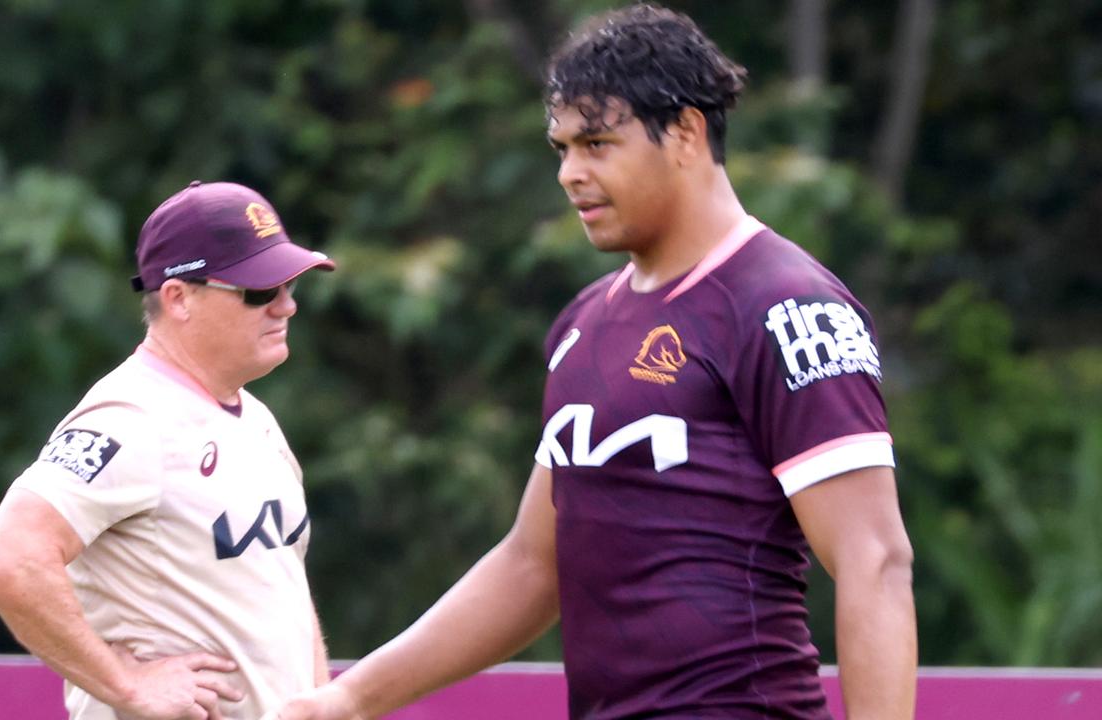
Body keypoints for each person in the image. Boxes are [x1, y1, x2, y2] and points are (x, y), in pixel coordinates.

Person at [268, 5, 916, 720]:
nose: (571, 174)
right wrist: (348, 700)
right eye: (563, 148)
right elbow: (532, 565)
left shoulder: (788, 306)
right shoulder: (584, 321)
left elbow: (874, 561)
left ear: (687, 134)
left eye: (598, 143)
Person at [0, 180, 337, 720]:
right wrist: (127, 685)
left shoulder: (255, 418)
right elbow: (7, 561)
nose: (286, 306)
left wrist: (323, 705)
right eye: (259, 290)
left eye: (288, 286)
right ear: (179, 297)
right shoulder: (130, 419)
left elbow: (285, 593)